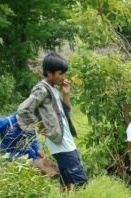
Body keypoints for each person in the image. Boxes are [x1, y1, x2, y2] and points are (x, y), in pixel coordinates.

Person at [17, 52, 88, 190]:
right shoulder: (42, 90)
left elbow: (65, 113)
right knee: (81, 181)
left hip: (65, 139)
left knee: (65, 180)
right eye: (60, 74)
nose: (63, 77)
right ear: (49, 73)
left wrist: (65, 94)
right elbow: (23, 110)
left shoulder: (53, 89)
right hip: (60, 143)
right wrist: (42, 127)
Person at [0, 114, 59, 179]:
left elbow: (33, 139)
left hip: (25, 150)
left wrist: (38, 149)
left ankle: (56, 175)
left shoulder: (29, 122)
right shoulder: (6, 122)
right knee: (21, 172)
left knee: (43, 164)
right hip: (9, 153)